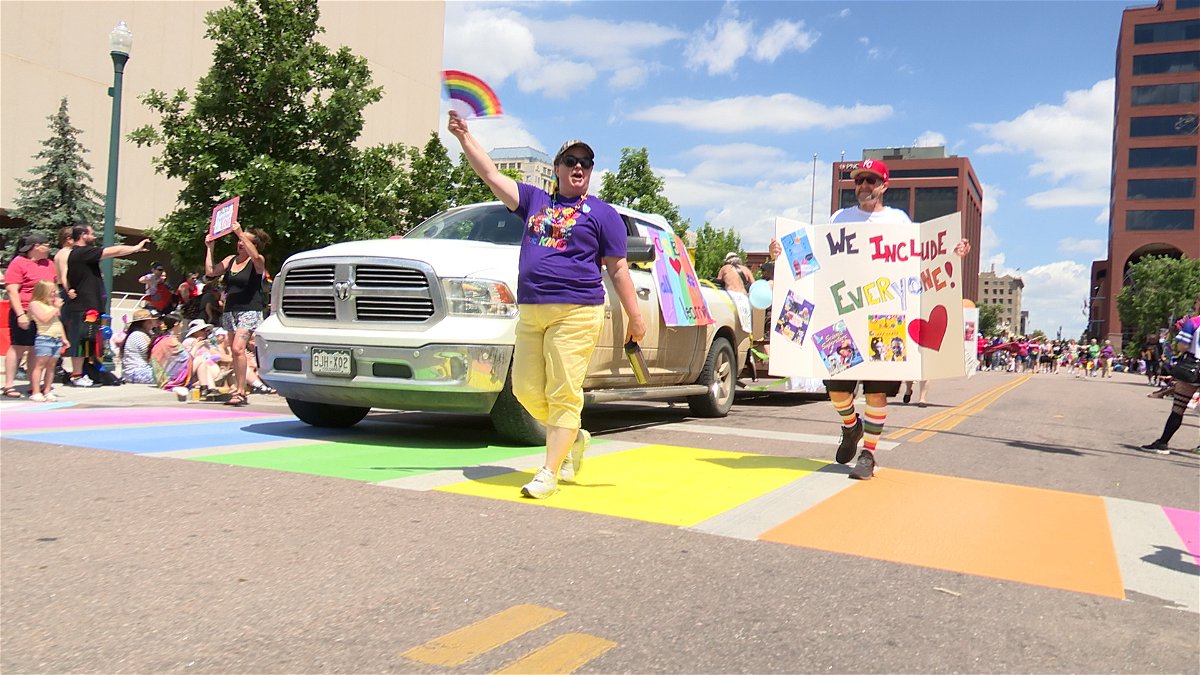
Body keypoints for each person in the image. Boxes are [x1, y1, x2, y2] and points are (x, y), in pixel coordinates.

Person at [447, 109, 646, 499]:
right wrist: (464, 138)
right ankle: (572, 437)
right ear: (556, 167)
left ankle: (548, 472)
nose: (578, 167)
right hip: (532, 311)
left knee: (564, 391)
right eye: (571, 161)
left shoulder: (603, 214)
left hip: (577, 311)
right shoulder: (534, 200)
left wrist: (634, 319)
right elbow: (491, 175)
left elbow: (619, 268)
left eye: (585, 163)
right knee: (523, 389)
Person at [769, 158, 970, 480]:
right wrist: (782, 253)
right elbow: (812, 258)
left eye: (871, 181)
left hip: (884, 319)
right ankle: (851, 427)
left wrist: (953, 252)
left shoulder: (899, 222)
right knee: (837, 392)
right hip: (843, 318)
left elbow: (923, 259)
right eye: (860, 181)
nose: (864, 186)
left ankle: (868, 454)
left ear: (884, 186)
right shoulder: (839, 218)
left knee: (876, 393)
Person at [63, 224, 150, 387]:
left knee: (87, 340)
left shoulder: (78, 254)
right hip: (85, 306)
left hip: (88, 306)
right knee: (83, 340)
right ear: (83, 235)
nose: (94, 237)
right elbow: (113, 251)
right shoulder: (82, 252)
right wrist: (136, 248)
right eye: (91, 234)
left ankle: (83, 374)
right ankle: (76, 376)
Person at [205, 222, 270, 406]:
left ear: (253, 245)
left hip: (249, 309)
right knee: (235, 352)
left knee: (237, 348)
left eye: (245, 241)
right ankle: (239, 387)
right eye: (239, 240)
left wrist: (240, 232)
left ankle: (241, 391)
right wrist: (210, 248)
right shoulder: (231, 260)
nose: (240, 243)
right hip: (231, 310)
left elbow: (256, 257)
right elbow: (210, 272)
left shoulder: (257, 261)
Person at [1141, 296, 1200, 454]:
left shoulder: (1193, 322)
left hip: (1193, 368)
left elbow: (1182, 346)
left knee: (1179, 408)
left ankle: (1163, 443)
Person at [4, 233, 58, 398]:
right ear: (36, 246)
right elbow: (12, 290)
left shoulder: (49, 264)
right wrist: (20, 314)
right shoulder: (19, 263)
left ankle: (33, 385)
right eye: (46, 244)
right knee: (19, 347)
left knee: (37, 348)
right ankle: (9, 385)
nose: (49, 247)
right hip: (25, 309)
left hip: (45, 313)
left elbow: (53, 288)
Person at [26, 279, 70, 402]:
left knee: (51, 366)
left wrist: (64, 338)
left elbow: (57, 322)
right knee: (40, 365)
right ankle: (35, 391)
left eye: (55, 291)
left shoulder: (51, 306)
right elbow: (44, 319)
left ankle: (47, 390)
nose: (54, 294)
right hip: (44, 337)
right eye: (51, 292)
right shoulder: (35, 304)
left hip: (56, 339)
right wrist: (56, 308)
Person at [115, 308, 158, 384]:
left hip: (133, 373)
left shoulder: (137, 334)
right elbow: (151, 353)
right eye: (150, 320)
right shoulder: (138, 335)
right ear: (145, 322)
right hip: (137, 372)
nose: (153, 323)